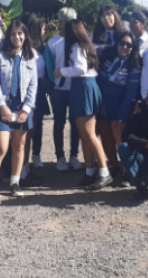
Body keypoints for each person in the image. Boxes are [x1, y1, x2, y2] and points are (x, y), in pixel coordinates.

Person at [0, 20, 39, 200]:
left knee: (19, 146)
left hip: (21, 107)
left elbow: (33, 85)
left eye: (20, 33)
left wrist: (26, 109)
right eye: (13, 34)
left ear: (25, 35)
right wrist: (2, 106)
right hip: (2, 106)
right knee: (1, 148)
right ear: (8, 36)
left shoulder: (31, 57)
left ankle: (15, 183)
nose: (17, 37)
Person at [54, 19, 113, 189]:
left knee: (89, 134)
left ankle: (104, 172)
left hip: (83, 86)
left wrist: (61, 72)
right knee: (84, 134)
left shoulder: (77, 46)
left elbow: (80, 68)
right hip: (82, 87)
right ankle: (89, 172)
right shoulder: (85, 45)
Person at [97, 31, 142, 187]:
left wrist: (122, 115)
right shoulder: (107, 58)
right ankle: (114, 166)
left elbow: (132, 91)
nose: (125, 47)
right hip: (103, 104)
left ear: (133, 48)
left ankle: (127, 172)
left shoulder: (134, 64)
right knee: (105, 136)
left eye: (129, 45)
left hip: (121, 104)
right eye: (122, 43)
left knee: (119, 138)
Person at [44, 7, 83, 171]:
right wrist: (55, 85)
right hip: (59, 91)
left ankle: (74, 155)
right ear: (60, 22)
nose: (66, 24)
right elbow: (49, 66)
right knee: (59, 122)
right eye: (64, 21)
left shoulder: (80, 42)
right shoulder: (52, 43)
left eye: (70, 21)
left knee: (76, 123)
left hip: (76, 89)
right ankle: (60, 157)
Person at [22, 13, 50, 175]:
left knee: (38, 125)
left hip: (39, 90)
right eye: (43, 28)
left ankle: (36, 155)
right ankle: (22, 163)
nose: (44, 31)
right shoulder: (23, 47)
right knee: (25, 127)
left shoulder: (42, 48)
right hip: (25, 90)